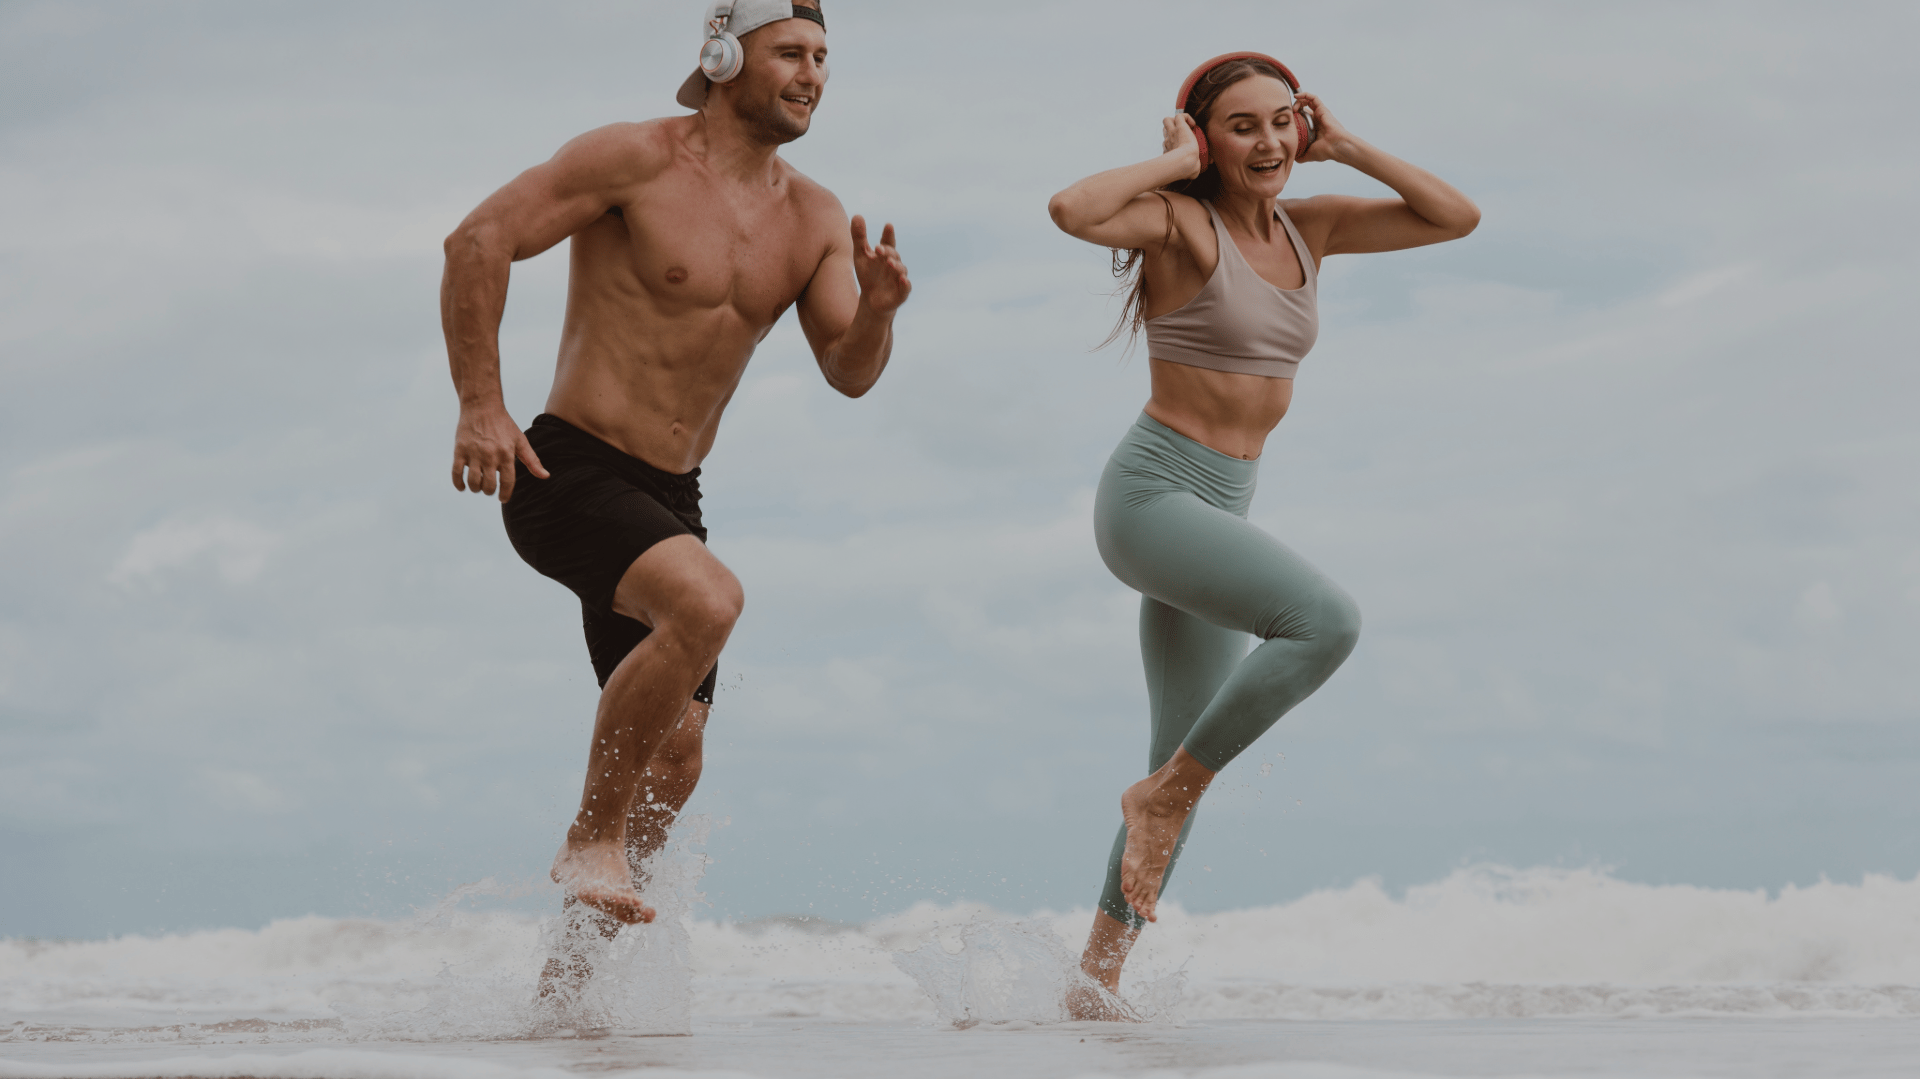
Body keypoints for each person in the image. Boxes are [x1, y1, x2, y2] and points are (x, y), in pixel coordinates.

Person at [437, 0, 910, 979]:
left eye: (824, 56)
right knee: (710, 599)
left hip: (669, 497)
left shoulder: (815, 216)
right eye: (792, 51)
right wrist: (482, 403)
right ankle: (587, 839)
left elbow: (850, 371)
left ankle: (570, 980)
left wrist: (883, 311)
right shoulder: (634, 160)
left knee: (677, 757)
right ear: (726, 55)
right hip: (564, 468)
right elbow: (476, 240)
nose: (813, 72)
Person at [1046, 52, 1478, 1016]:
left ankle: (1091, 989)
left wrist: (1349, 145)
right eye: (1243, 126)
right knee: (1324, 620)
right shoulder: (1181, 225)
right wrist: (1170, 162)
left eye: (1284, 121)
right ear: (1206, 138)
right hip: (1154, 498)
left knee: (1177, 766)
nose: (1272, 141)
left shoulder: (1309, 228)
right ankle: (1157, 802)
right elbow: (1072, 210)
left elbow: (1456, 216)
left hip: (1225, 505)